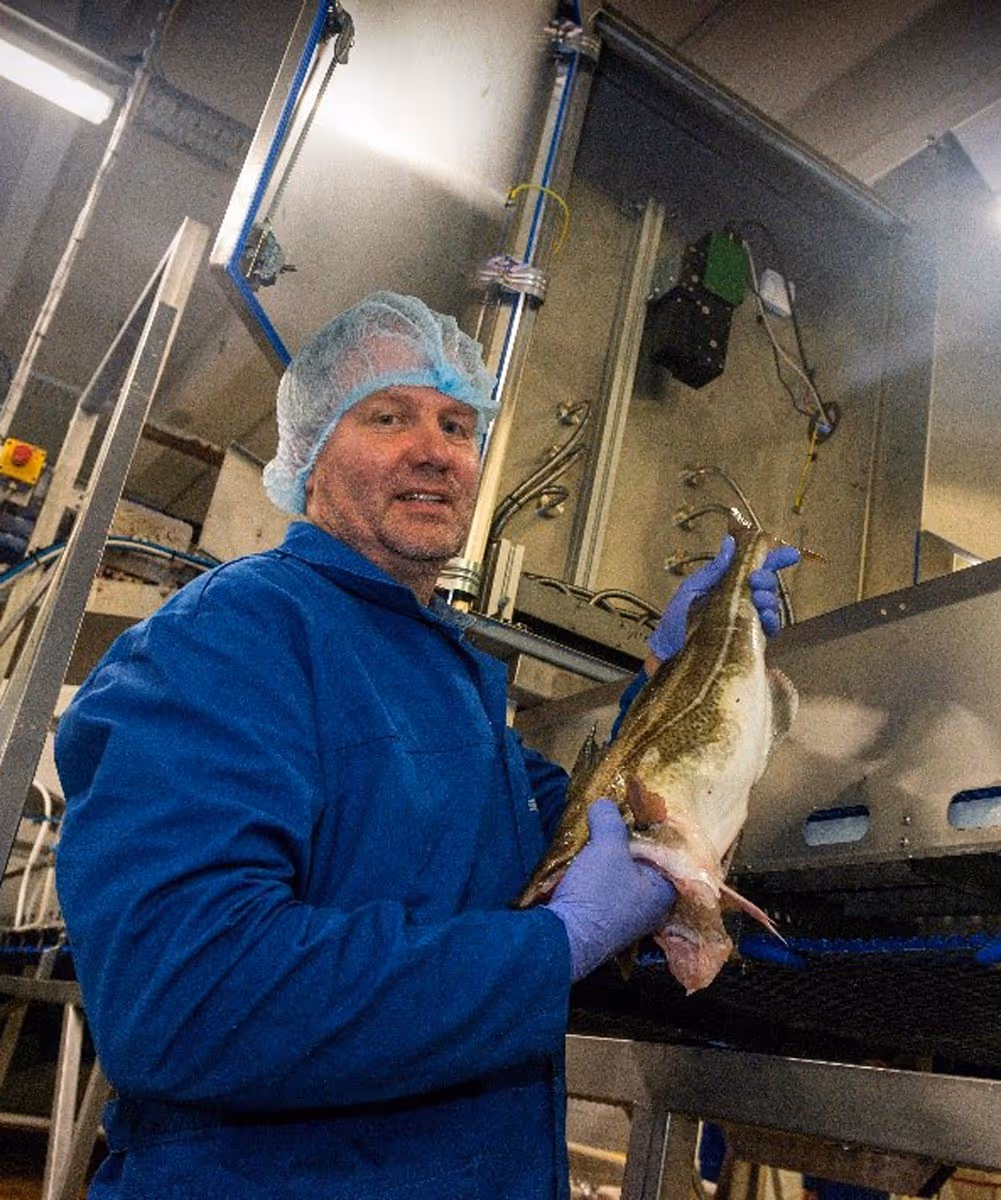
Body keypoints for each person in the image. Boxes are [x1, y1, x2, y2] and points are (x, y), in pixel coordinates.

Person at [54, 291, 799, 1199]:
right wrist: (549, 949)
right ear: (310, 459)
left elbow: (580, 831)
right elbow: (188, 997)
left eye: (457, 424)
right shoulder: (228, 636)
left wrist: (674, 674)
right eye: (388, 416)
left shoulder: (449, 679)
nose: (435, 450)